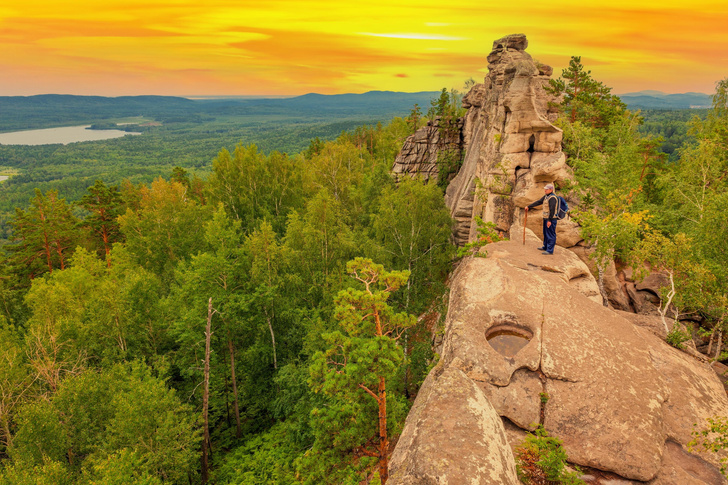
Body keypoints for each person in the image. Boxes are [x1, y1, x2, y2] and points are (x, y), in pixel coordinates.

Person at [525, 183, 558, 255]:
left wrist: (549, 220)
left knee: (550, 234)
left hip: (551, 219)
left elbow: (552, 209)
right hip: (545, 218)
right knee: (545, 233)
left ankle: (550, 250)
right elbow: (539, 202)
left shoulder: (552, 198)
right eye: (545, 189)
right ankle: (545, 246)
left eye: (546, 189)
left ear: (551, 190)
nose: (545, 190)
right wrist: (529, 206)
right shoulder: (546, 196)